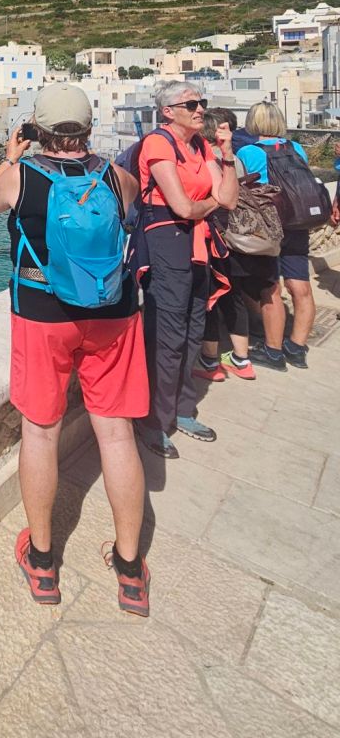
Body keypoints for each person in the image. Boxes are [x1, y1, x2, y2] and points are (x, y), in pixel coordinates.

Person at [0, 83, 151, 617]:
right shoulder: (118, 178)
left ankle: (44, 560)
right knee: (117, 433)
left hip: (43, 316)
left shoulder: (21, 177)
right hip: (113, 315)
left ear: (38, 129)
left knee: (41, 431)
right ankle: (129, 571)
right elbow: (130, 216)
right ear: (88, 128)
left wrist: (12, 154)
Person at [135, 83, 238, 459]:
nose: (200, 109)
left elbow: (229, 198)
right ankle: (152, 420)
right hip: (166, 246)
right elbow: (181, 207)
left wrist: (226, 155)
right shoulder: (158, 144)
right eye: (191, 104)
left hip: (197, 246)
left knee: (194, 328)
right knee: (167, 335)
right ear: (167, 111)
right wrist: (208, 203)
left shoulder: (203, 146)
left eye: (202, 103)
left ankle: (182, 409)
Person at [235, 102, 316, 370]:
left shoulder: (248, 151)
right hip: (298, 222)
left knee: (272, 289)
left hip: (270, 226)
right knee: (300, 286)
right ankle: (297, 347)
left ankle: (273, 350)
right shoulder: (297, 148)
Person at [193, 109, 263, 382]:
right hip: (239, 238)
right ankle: (241, 359)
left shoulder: (204, 159)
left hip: (216, 239)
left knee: (210, 299)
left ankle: (210, 362)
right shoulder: (232, 160)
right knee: (233, 298)